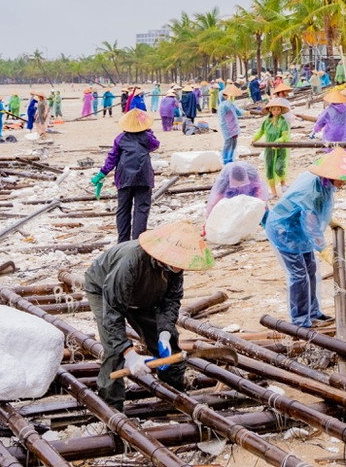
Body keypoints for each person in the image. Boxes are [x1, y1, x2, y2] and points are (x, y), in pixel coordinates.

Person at [84, 219, 201, 408]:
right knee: (114, 348)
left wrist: (164, 332)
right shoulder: (130, 261)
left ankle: (174, 393)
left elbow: (170, 301)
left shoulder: (174, 267)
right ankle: (111, 406)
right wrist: (129, 353)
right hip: (104, 290)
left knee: (169, 341)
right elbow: (113, 312)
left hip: (144, 294)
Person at [264, 149, 346, 326]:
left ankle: (313, 312)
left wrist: (329, 219)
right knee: (299, 275)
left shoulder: (323, 183)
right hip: (285, 230)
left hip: (298, 229)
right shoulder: (312, 190)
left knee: (311, 270)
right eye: (343, 179)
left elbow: (317, 210)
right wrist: (323, 249)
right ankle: (300, 320)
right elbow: (311, 223)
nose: (344, 183)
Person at [94, 108, 160, 243]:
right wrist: (148, 131)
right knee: (141, 209)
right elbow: (155, 145)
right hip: (144, 176)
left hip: (124, 178)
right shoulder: (147, 137)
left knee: (123, 209)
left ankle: (123, 242)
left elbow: (112, 157)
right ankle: (137, 242)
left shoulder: (120, 138)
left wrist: (102, 173)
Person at [204, 162, 266, 233]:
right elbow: (217, 197)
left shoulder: (252, 174)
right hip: (231, 194)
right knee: (232, 211)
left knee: (262, 206)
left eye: (242, 183)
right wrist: (208, 219)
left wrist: (261, 202)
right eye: (237, 184)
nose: (240, 186)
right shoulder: (225, 180)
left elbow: (259, 189)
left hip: (250, 190)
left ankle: (267, 227)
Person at [253, 98, 292, 198]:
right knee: (269, 169)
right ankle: (274, 192)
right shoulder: (266, 121)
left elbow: (285, 135)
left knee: (279, 167)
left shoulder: (283, 122)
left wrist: (278, 142)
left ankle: (283, 184)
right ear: (270, 110)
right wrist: (255, 138)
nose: (276, 112)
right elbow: (261, 131)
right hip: (269, 148)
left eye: (278, 110)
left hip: (280, 148)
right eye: (274, 109)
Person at [314, 87, 346, 163]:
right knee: (343, 153)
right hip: (345, 134)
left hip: (331, 135)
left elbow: (320, 121)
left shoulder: (328, 110)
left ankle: (333, 168)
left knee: (332, 153)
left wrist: (316, 129)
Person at [218, 83, 245, 164]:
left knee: (234, 143)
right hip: (227, 128)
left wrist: (246, 112)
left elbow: (238, 112)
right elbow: (226, 109)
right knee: (228, 143)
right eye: (225, 95)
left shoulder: (230, 103)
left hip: (234, 127)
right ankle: (225, 159)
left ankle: (231, 159)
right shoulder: (223, 105)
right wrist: (228, 100)